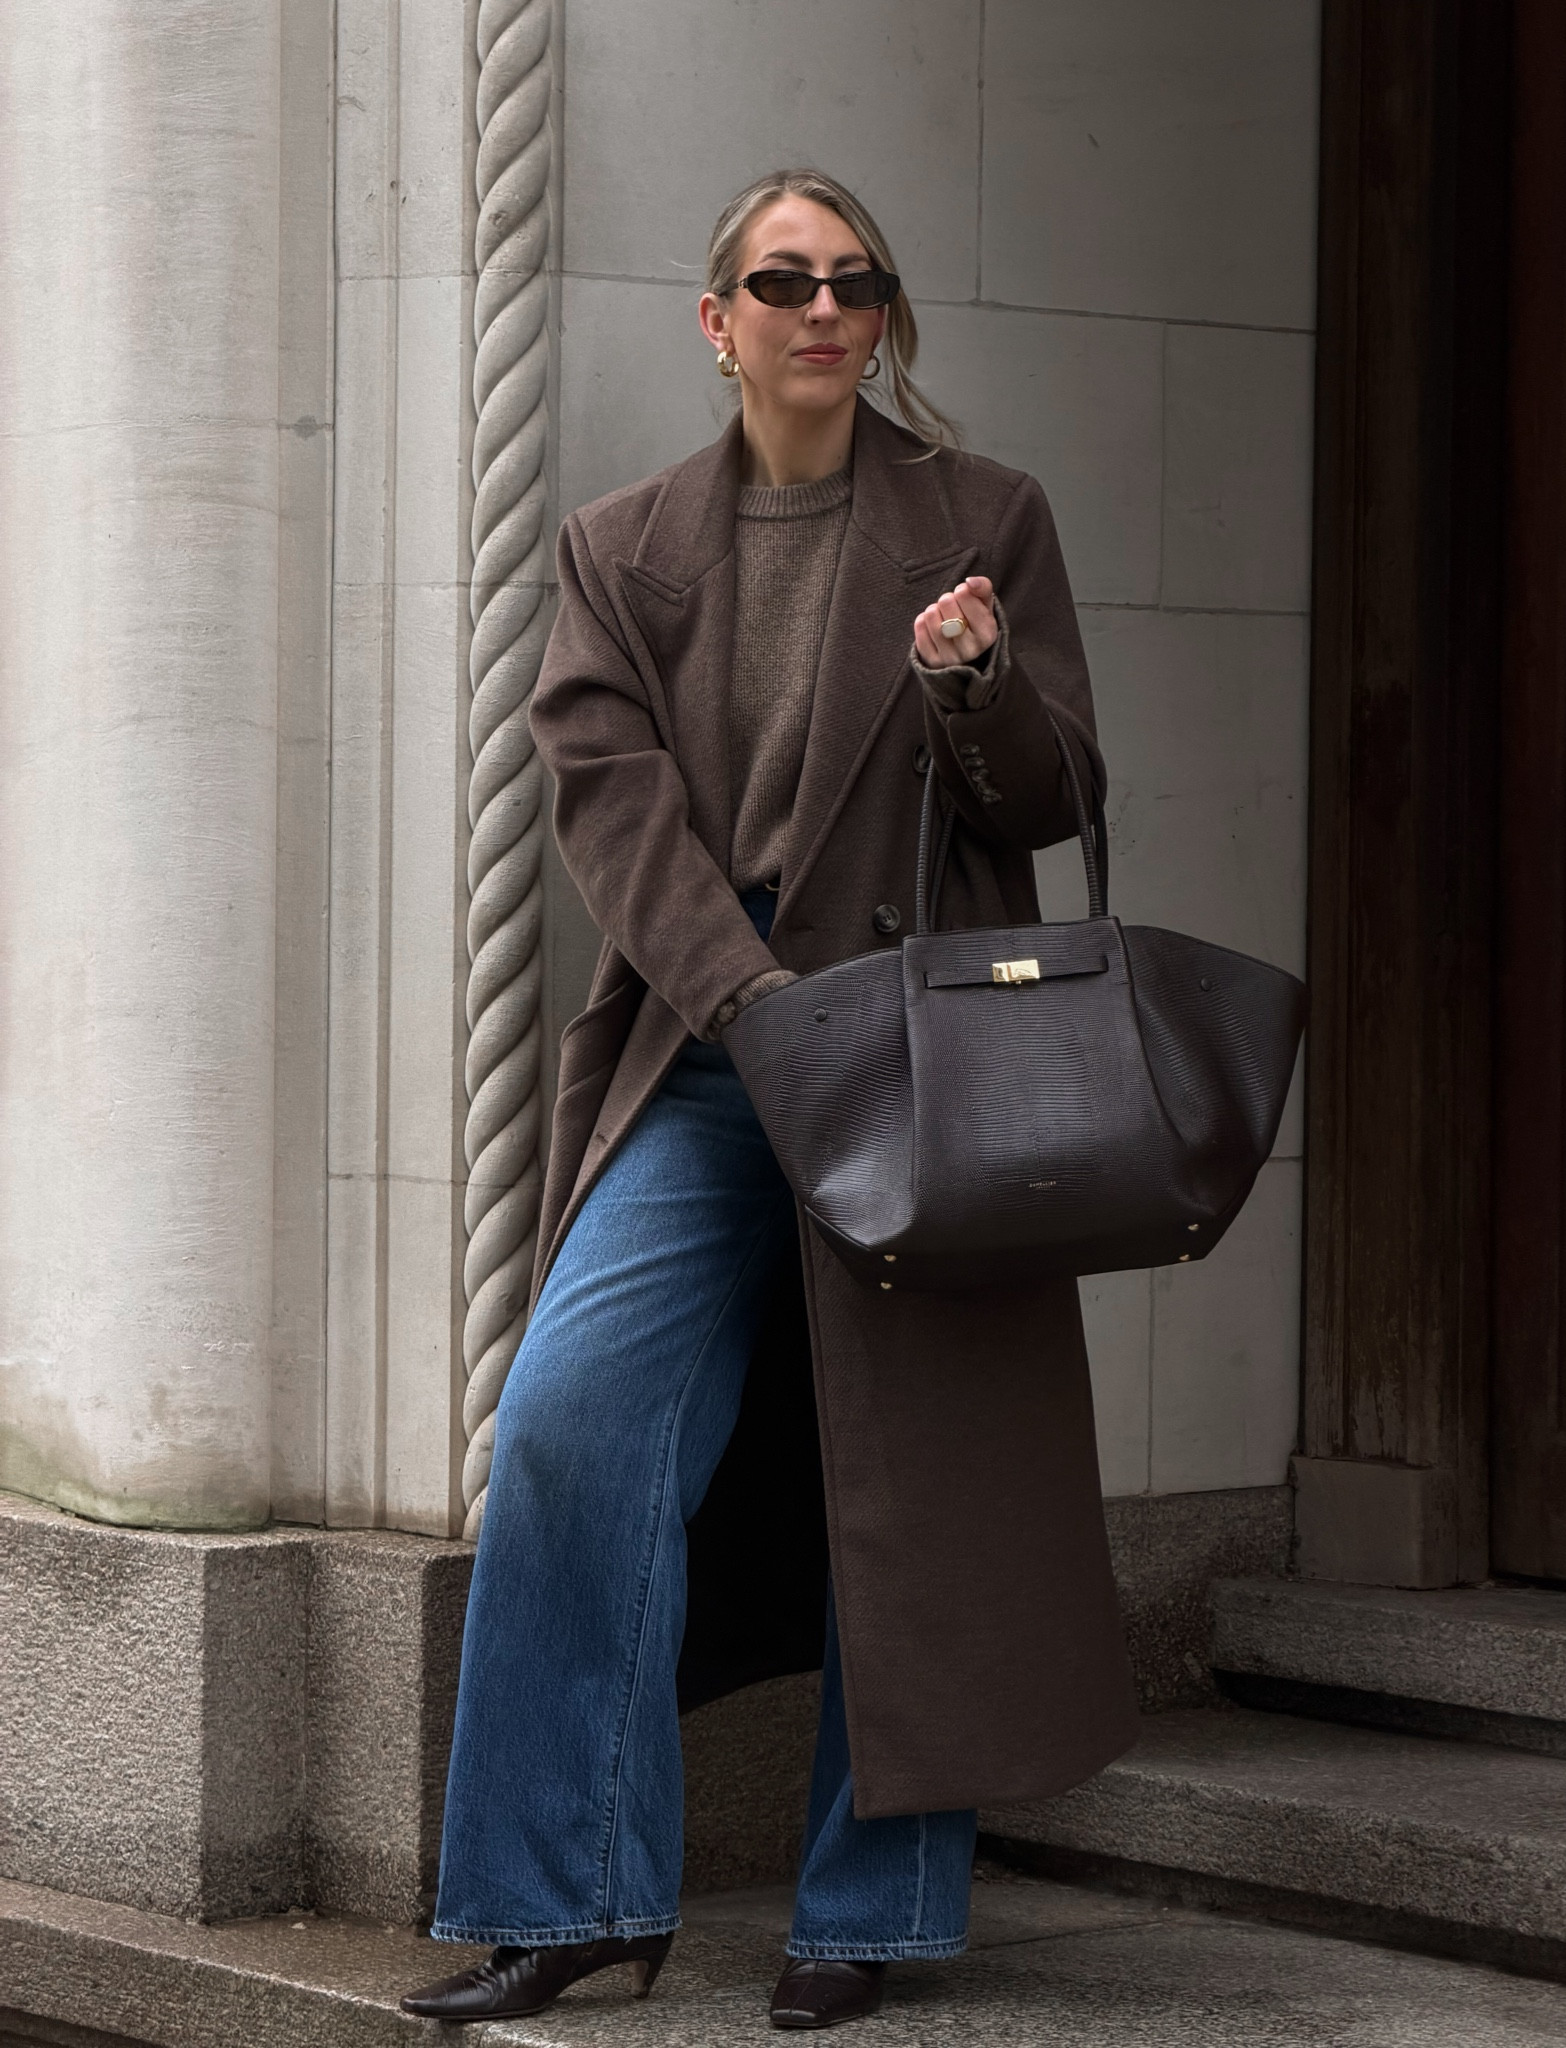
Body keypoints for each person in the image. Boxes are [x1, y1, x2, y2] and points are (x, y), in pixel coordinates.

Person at [402, 167, 1138, 2032]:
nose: (823, 307)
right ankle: (571, 1896)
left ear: (884, 316)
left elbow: (1048, 794)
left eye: (857, 280)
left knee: (913, 1479)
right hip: (724, 1052)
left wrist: (974, 687)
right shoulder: (620, 546)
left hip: (922, 1061)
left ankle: (874, 1914)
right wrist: (747, 1007)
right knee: (572, 1418)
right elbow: (607, 803)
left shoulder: (983, 518)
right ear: (715, 318)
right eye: (781, 279)